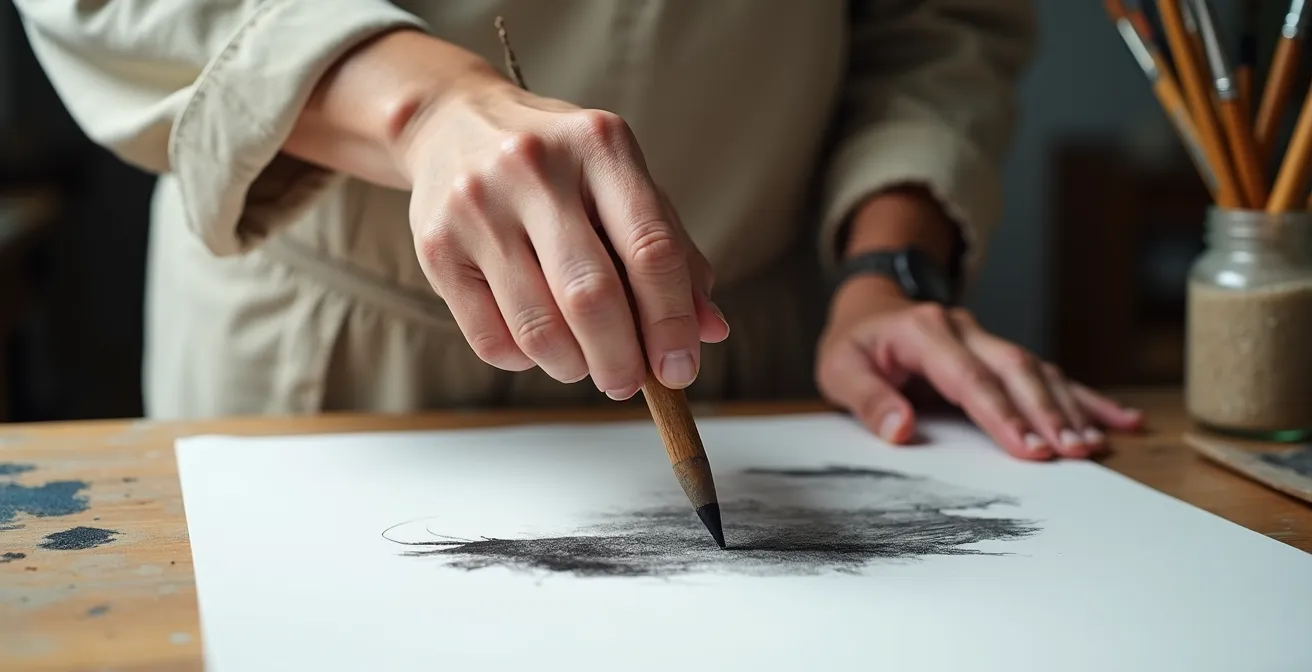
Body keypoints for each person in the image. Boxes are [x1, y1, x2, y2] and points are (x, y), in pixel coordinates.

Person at [14, 1, 1142, 460]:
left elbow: (932, 22)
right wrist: (421, 105)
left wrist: (885, 270)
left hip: (757, 352)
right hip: (330, 360)